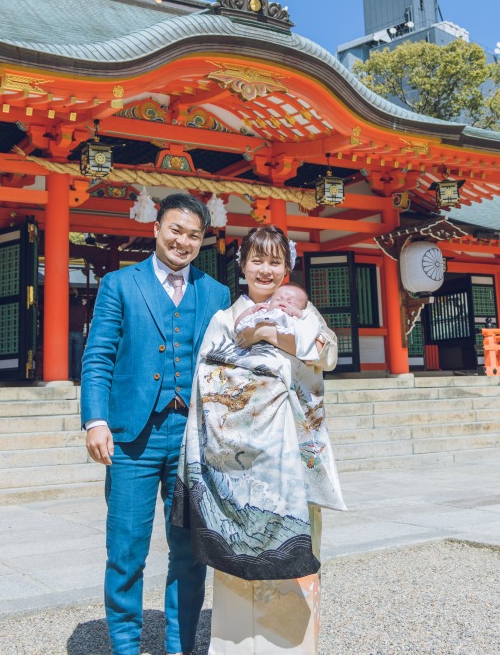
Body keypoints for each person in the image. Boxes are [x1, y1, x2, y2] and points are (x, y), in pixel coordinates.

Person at [173, 225, 344, 654]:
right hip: (237, 463)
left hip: (292, 463)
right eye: (257, 260)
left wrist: (269, 334)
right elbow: (207, 381)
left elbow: (327, 352)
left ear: (287, 268)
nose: (265, 270)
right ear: (242, 264)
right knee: (235, 561)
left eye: (275, 261)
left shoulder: (305, 314)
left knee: (293, 559)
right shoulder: (224, 320)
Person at [81, 192, 233, 655]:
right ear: (156, 228)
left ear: (203, 240)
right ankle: (125, 646)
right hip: (132, 436)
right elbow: (98, 355)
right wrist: (95, 419)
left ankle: (180, 645)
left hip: (192, 438)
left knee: (189, 552)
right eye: (175, 230)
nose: (182, 241)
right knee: (126, 549)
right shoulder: (119, 284)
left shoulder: (217, 293)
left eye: (193, 234)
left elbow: (230, 364)